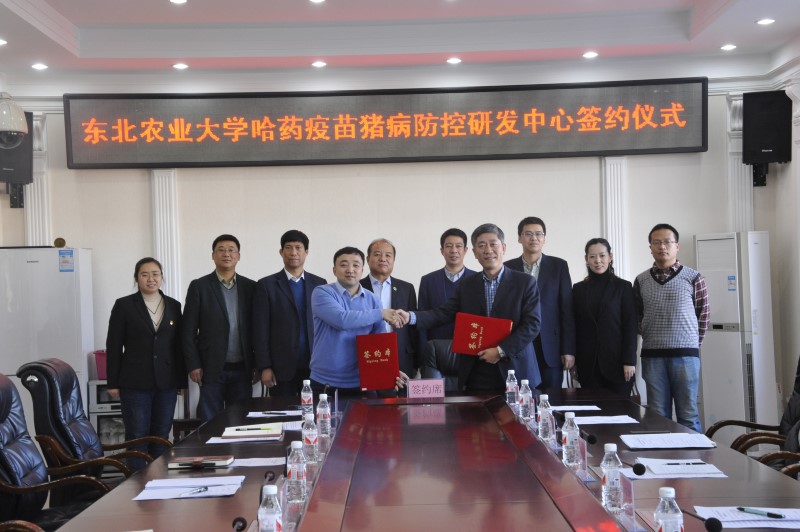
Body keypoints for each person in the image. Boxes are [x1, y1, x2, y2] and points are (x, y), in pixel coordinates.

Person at [400, 223, 542, 392]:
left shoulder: (525, 282)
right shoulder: (467, 285)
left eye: (493, 244)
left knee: (518, 410)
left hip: (515, 368)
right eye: (481, 246)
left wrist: (500, 351)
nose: (488, 250)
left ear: (503, 248)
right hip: (478, 368)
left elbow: (532, 325)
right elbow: (444, 313)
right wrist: (411, 317)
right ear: (474, 253)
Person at [106, 257, 185, 470]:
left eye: (155, 274)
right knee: (137, 435)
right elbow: (114, 345)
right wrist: (112, 382)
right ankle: (136, 482)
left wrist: (181, 381)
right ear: (136, 278)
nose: (151, 279)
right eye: (145, 274)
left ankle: (158, 479)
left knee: (161, 435)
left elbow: (178, 346)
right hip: (134, 382)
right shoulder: (124, 305)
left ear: (162, 277)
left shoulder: (174, 305)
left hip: (167, 382)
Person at [634, 223, 710, 432]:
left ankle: (694, 454)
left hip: (686, 356)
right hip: (653, 356)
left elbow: (703, 315)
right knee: (658, 415)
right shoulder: (641, 280)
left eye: (667, 242)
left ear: (677, 246)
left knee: (688, 415)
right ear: (650, 247)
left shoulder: (693, 277)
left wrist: (691, 344)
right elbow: (637, 316)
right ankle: (663, 453)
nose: (662, 247)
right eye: (656, 242)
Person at [309, 246, 407, 395]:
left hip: (363, 381)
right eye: (343, 265)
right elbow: (342, 320)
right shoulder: (322, 292)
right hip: (325, 382)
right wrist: (380, 313)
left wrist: (390, 369)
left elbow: (379, 341)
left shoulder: (373, 299)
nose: (350, 270)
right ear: (334, 270)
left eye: (356, 265)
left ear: (362, 270)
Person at [181, 234, 256, 421]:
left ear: (238, 256)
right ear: (213, 255)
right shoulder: (199, 286)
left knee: (240, 422)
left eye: (231, 250)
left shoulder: (251, 287)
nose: (226, 254)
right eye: (221, 250)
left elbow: (258, 330)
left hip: (243, 369)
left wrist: (258, 364)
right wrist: (194, 364)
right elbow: (187, 331)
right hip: (210, 369)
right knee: (209, 422)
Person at [253, 230, 326, 397]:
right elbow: (260, 330)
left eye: (298, 247)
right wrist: (265, 366)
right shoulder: (266, 285)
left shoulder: (319, 284)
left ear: (306, 252)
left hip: (315, 367)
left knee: (314, 409)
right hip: (280, 368)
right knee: (282, 411)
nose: (293, 252)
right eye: (288, 247)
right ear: (281, 252)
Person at [505, 216, 576, 390]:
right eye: (528, 234)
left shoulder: (559, 266)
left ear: (544, 238)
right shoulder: (508, 268)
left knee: (552, 398)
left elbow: (566, 310)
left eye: (539, 234)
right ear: (519, 238)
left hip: (550, 347)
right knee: (521, 396)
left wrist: (568, 350)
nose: (534, 238)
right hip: (519, 344)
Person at [572, 238, 637, 396]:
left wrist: (629, 361)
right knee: (591, 409)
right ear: (586, 259)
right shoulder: (578, 289)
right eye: (592, 256)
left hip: (618, 364)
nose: (598, 261)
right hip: (588, 364)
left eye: (602, 255)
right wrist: (574, 362)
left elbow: (630, 326)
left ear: (610, 257)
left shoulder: (624, 287)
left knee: (620, 409)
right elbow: (574, 326)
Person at [360, 238, 419, 377]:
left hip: (401, 355)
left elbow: (413, 329)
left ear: (393, 260)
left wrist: (417, 362)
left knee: (399, 392)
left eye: (388, 255)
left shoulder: (407, 288)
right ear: (367, 259)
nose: (383, 259)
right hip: (366, 354)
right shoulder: (357, 287)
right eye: (377, 254)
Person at [417, 228, 476, 352]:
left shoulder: (477, 279)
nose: (454, 250)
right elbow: (422, 320)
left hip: (469, 349)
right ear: (442, 251)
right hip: (435, 350)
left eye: (458, 246)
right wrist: (423, 353)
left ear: (465, 250)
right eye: (449, 246)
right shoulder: (428, 281)